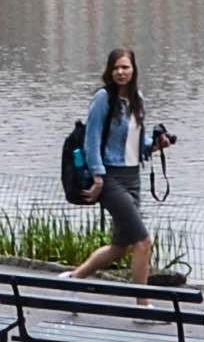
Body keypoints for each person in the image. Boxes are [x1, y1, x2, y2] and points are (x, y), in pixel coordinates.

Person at [61, 47, 168, 284]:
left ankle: (73, 279)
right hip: (111, 178)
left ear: (133, 70)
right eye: (116, 68)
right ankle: (143, 302)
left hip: (133, 178)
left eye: (125, 67)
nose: (120, 72)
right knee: (144, 241)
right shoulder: (103, 98)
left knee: (120, 247)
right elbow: (92, 139)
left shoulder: (137, 99)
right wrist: (98, 176)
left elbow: (135, 141)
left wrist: (158, 144)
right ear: (109, 71)